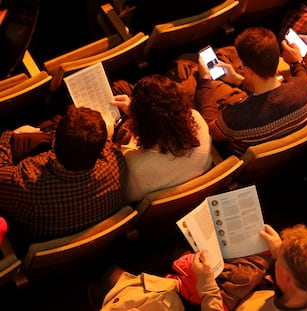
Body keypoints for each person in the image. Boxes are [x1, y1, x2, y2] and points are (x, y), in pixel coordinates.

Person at [0, 106, 128, 251]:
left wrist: (8, 135)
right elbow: (109, 148)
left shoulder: (27, 182)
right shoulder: (116, 164)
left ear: (53, 142)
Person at [195, 27, 307, 156]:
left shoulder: (236, 116)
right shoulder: (303, 87)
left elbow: (210, 132)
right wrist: (237, 80)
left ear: (248, 70)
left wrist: (205, 80)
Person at [192, 223, 307, 311]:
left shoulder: (251, 309)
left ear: (287, 277)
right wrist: (280, 250)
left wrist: (207, 284)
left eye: (279, 259)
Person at [111, 74, 213, 203]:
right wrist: (137, 112)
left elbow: (126, 198)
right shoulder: (197, 120)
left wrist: (108, 137)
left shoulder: (135, 166)